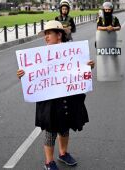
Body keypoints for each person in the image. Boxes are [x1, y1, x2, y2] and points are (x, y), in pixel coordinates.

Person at [17, 20, 95, 170]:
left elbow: (79, 71)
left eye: (48, 34)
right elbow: (31, 75)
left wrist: (89, 66)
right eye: (45, 34)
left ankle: (63, 153)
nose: (46, 37)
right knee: (50, 131)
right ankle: (49, 162)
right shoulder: (38, 56)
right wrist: (22, 75)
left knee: (65, 127)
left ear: (59, 35)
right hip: (49, 101)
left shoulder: (71, 51)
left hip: (68, 97)